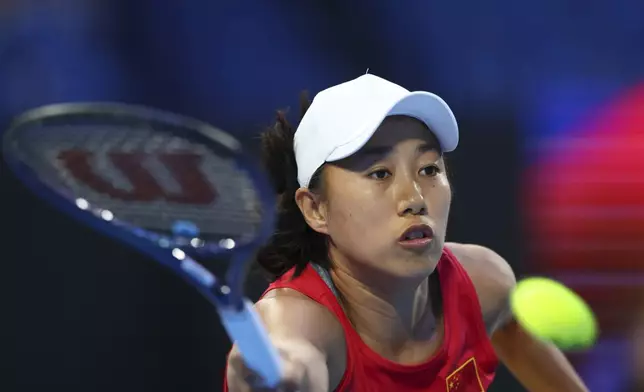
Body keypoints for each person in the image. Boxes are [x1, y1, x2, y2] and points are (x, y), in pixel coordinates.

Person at [225, 74, 589, 391]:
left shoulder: (484, 285)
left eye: (429, 169)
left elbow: (512, 331)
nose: (414, 198)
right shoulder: (298, 323)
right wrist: (281, 373)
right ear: (316, 209)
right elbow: (291, 353)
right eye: (380, 173)